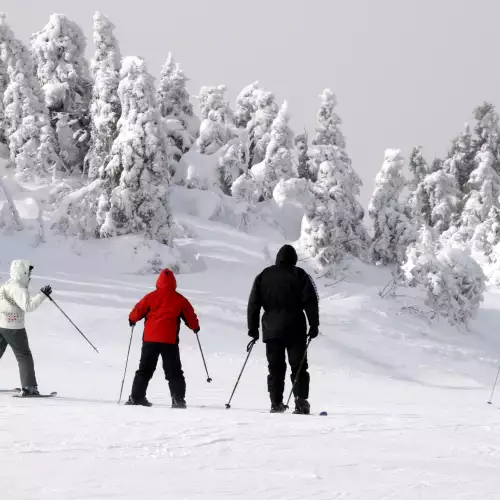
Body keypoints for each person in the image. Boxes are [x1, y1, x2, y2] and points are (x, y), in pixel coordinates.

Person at [247, 245, 319, 414]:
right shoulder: (300, 275)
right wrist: (314, 324)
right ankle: (300, 401)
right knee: (299, 366)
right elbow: (310, 301)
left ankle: (276, 402)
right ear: (294, 259)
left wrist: (253, 328)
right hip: (295, 329)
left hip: (271, 330)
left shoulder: (264, 275)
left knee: (275, 367)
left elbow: (254, 304)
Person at [127, 268, 200, 408]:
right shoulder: (180, 299)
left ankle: (136, 397)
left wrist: (132, 319)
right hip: (169, 341)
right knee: (174, 371)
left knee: (145, 369)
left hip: (150, 340)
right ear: (174, 283)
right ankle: (178, 399)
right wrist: (195, 327)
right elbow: (190, 316)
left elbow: (137, 311)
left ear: (158, 282)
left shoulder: (150, 297)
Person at [0, 260, 52, 396]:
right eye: (28, 272)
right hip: (14, 327)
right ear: (22, 272)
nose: (30, 275)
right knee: (24, 355)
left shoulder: (7, 285)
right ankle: (29, 387)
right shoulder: (19, 288)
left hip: (1, 325)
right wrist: (42, 295)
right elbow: (28, 306)